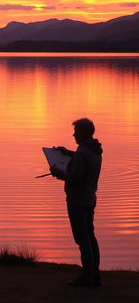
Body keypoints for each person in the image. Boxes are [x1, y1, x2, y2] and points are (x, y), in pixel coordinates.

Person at [50, 118, 103, 287]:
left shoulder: (83, 152)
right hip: (90, 198)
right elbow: (83, 161)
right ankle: (94, 274)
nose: (73, 135)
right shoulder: (95, 150)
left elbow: (74, 177)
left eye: (76, 132)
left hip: (78, 200)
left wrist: (58, 173)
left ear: (83, 133)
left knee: (82, 239)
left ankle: (87, 276)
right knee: (90, 236)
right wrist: (69, 153)